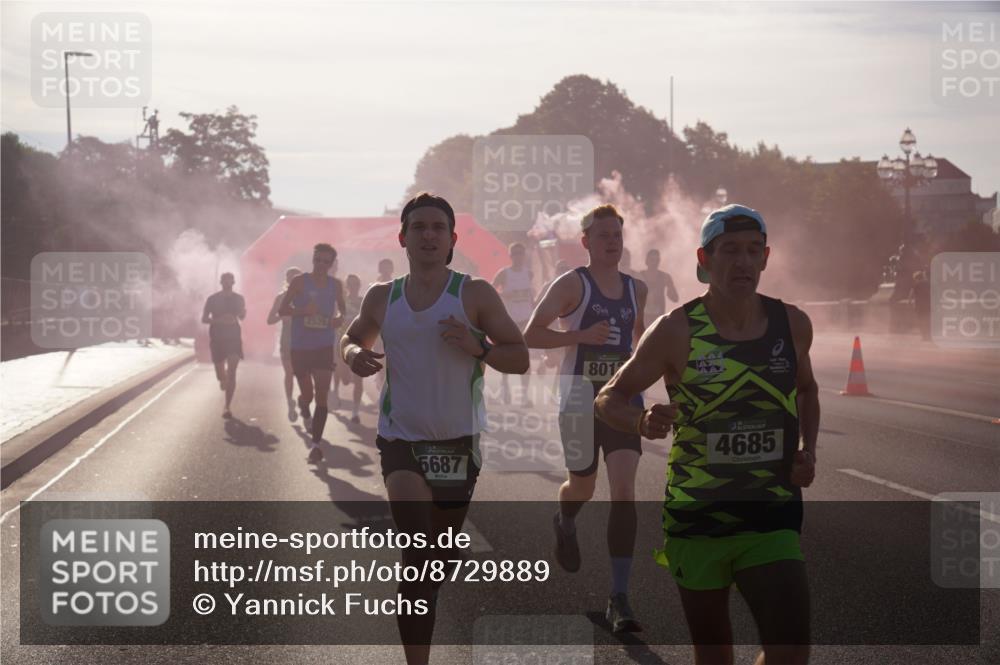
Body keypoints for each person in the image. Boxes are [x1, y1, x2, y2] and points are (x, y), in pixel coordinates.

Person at [595, 204, 818, 665]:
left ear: (766, 257)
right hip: (698, 518)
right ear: (704, 258)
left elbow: (808, 389)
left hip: (770, 513)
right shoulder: (676, 330)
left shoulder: (791, 324)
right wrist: (640, 422)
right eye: (729, 250)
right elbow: (608, 399)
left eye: (753, 250)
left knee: (791, 651)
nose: (742, 261)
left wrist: (807, 449)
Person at [342, 192, 528, 665]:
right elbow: (350, 336)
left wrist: (478, 346)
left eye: (437, 228)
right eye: (419, 227)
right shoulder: (383, 296)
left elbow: (520, 357)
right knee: (418, 558)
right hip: (400, 439)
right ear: (403, 237)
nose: (428, 235)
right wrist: (352, 355)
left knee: (436, 563)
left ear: (451, 240)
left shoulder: (475, 293)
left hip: (458, 444)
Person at [523, 204, 648, 633]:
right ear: (586, 243)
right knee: (583, 483)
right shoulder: (572, 284)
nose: (612, 242)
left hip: (623, 402)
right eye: (603, 236)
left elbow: (641, 346)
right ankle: (566, 519)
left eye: (617, 234)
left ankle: (618, 596)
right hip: (577, 400)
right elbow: (531, 334)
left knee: (625, 491)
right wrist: (579, 335)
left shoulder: (637, 290)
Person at [278, 243, 345, 463]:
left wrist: (339, 319)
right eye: (318, 260)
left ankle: (316, 445)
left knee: (322, 394)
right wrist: (303, 311)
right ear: (313, 259)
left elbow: (342, 310)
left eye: (326, 261)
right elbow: (282, 310)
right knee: (307, 394)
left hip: (324, 345)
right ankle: (303, 404)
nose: (321, 265)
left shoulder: (336, 285)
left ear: (331, 264)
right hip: (300, 347)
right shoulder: (299, 282)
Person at [492, 242, 535, 406]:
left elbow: (531, 295)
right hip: (509, 320)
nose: (518, 257)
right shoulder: (504, 273)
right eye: (515, 254)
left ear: (524, 256)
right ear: (510, 256)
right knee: (507, 356)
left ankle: (524, 396)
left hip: (525, 320)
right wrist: (504, 294)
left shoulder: (529, 273)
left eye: (520, 253)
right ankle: (506, 390)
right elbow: (490, 290)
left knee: (525, 358)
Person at [201, 272, 246, 419]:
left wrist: (242, 314)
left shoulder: (239, 299)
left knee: (232, 371)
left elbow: (241, 316)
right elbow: (204, 319)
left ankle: (227, 406)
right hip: (217, 338)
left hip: (233, 337)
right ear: (221, 282)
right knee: (221, 376)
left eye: (230, 280)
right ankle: (222, 377)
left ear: (233, 282)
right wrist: (220, 320)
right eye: (225, 280)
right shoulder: (212, 299)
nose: (227, 283)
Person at [267, 266, 303, 421]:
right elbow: (270, 320)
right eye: (291, 278)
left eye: (297, 278)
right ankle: (290, 403)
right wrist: (282, 316)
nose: (293, 281)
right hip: (287, 340)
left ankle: (304, 401)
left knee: (303, 375)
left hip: (305, 340)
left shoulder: (307, 297)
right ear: (287, 280)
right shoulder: (281, 298)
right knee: (289, 373)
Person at [332, 274, 365, 423]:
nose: (353, 287)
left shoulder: (364, 301)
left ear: (359, 286)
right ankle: (336, 392)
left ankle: (355, 413)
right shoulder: (340, 302)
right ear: (347, 287)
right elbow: (333, 320)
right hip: (342, 343)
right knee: (345, 379)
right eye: (350, 284)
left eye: (355, 284)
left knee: (358, 380)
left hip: (360, 344)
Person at [638, 248, 678, 323]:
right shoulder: (639, 276)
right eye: (652, 260)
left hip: (659, 318)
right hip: (643, 317)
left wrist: (670, 289)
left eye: (656, 260)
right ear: (647, 261)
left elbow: (675, 298)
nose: (654, 262)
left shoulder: (665, 277)